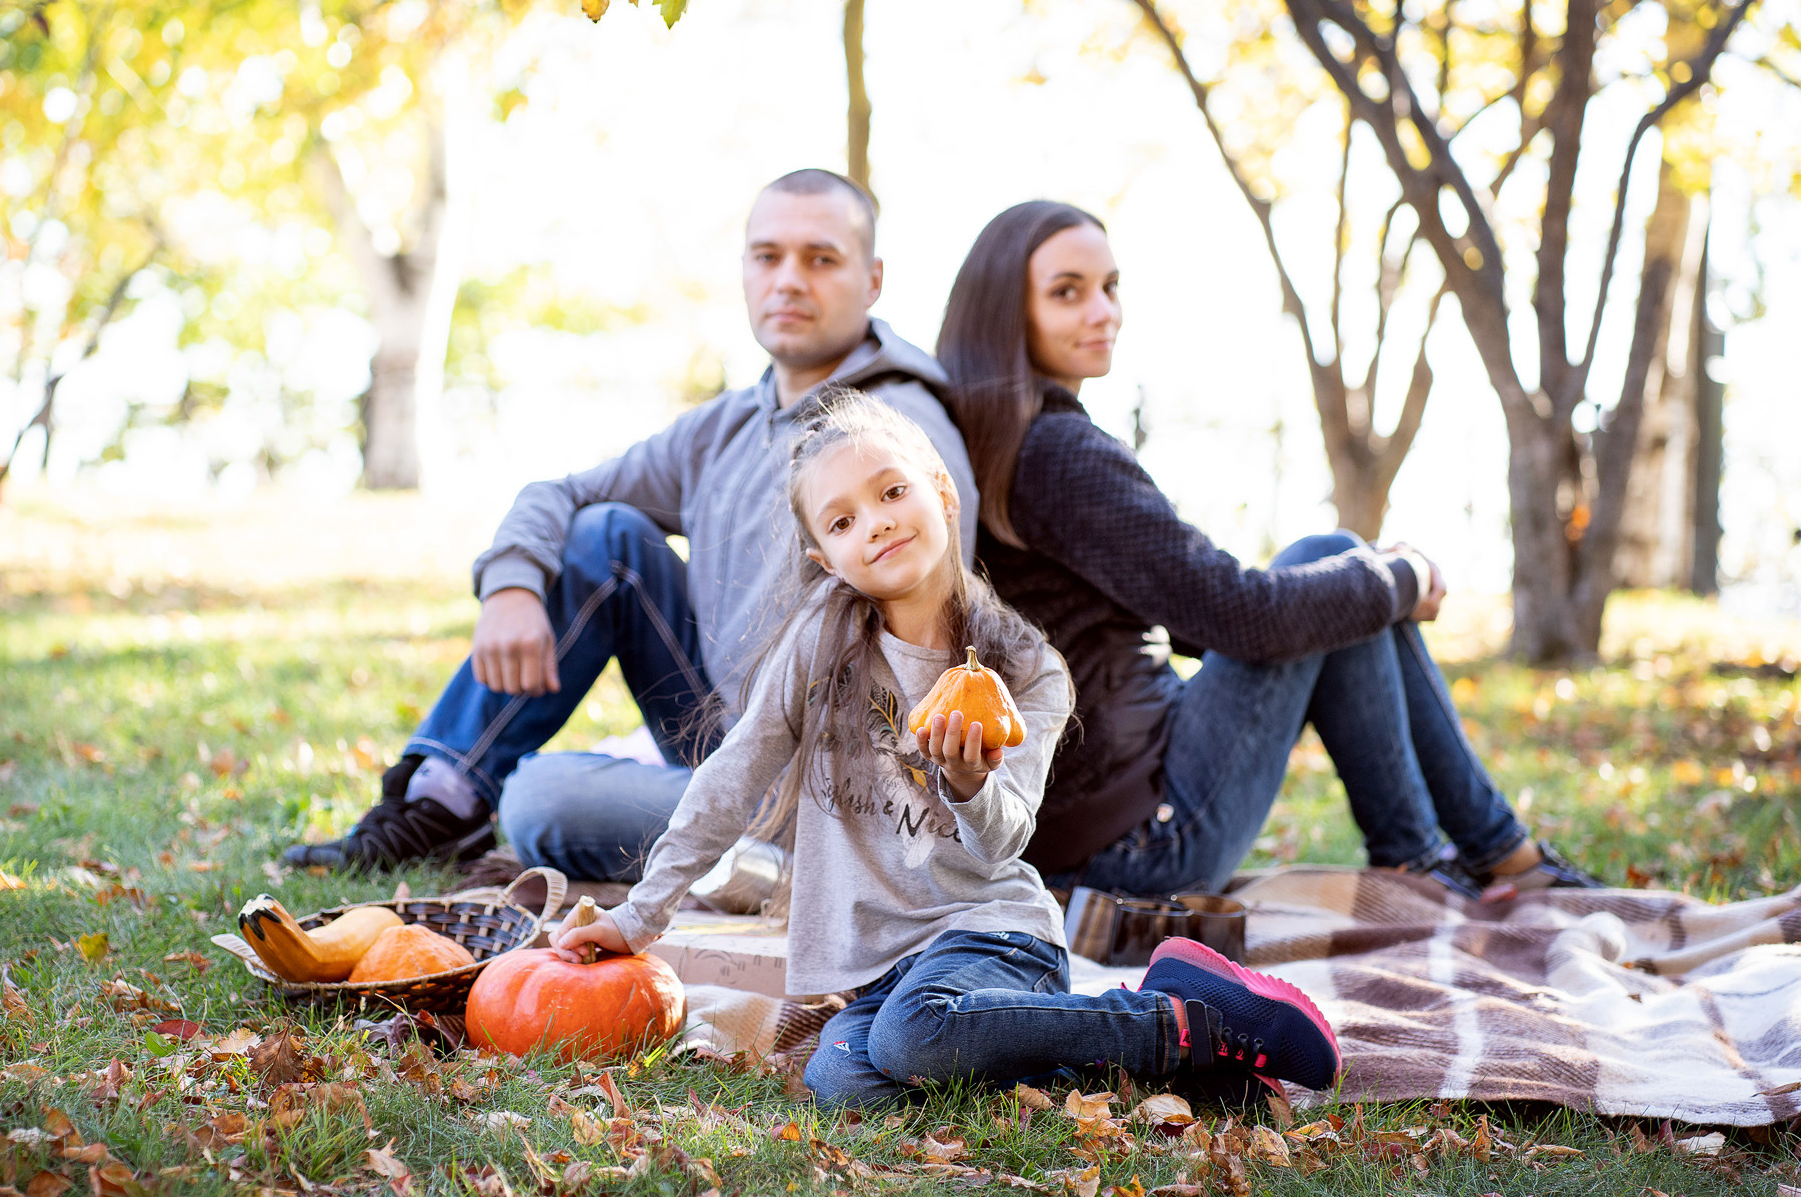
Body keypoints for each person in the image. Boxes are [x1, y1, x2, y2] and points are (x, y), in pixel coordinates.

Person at [548, 394, 1343, 1108]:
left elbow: (1005, 839)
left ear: (942, 491)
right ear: (825, 558)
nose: (875, 522)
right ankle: (1178, 1063)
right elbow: (734, 772)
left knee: (913, 1040)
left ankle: (1179, 1021)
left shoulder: (1027, 669)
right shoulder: (821, 641)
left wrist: (969, 784)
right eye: (842, 521)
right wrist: (641, 915)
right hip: (881, 975)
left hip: (994, 937)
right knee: (843, 1085)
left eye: (892, 491)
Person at [285, 169, 978, 875]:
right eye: (768, 257)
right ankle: (442, 801)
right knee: (607, 539)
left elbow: (929, 650)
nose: (789, 280)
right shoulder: (727, 427)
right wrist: (512, 583)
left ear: (872, 280)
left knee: (540, 800)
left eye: (821, 259)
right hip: (731, 738)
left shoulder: (896, 433)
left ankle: (772, 864)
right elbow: (564, 493)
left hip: (829, 790)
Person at [933, 201, 1601, 902]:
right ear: (1007, 311)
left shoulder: (1004, 440)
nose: (1104, 312)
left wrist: (1365, 587)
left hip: (1100, 822)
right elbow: (1243, 617)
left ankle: (1441, 860)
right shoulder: (1055, 451)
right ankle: (1475, 856)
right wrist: (1405, 576)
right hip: (1135, 846)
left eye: (1111, 286)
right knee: (1336, 563)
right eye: (1067, 292)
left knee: (1337, 591)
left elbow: (1197, 615)